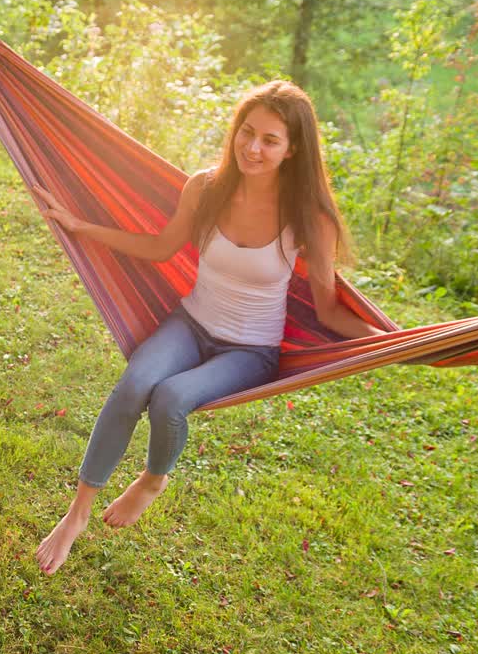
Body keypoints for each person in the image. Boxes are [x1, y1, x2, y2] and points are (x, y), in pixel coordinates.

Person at [31, 80, 387, 575]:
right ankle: (76, 514)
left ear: (293, 149)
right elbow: (160, 248)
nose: (253, 148)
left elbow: (328, 312)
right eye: (248, 132)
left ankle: (153, 481)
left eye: (270, 140)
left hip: (249, 351)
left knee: (171, 398)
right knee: (135, 382)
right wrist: (81, 227)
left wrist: (398, 344)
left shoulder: (309, 218)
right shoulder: (206, 187)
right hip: (191, 323)